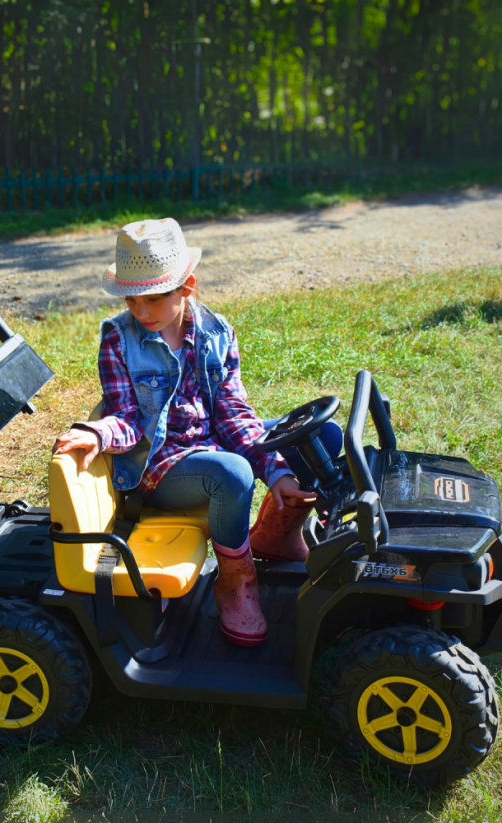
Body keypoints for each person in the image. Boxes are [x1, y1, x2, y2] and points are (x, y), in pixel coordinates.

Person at [52, 218, 333, 647]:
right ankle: (236, 579)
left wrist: (276, 471)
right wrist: (99, 434)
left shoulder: (217, 333)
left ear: (186, 287)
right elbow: (128, 417)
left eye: (153, 299)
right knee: (233, 473)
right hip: (159, 469)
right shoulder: (118, 339)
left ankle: (277, 536)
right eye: (132, 300)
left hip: (211, 446)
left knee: (320, 437)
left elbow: (233, 413)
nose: (141, 312)